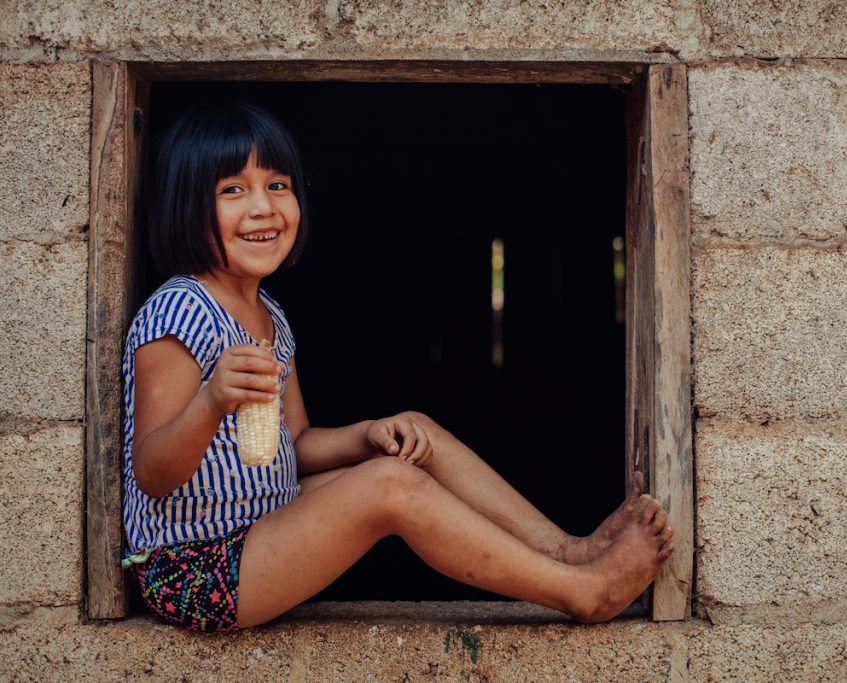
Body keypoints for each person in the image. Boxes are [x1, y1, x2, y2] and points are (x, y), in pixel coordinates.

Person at [121, 101, 674, 633]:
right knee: (390, 485)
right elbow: (153, 472)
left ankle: (569, 550)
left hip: (258, 524)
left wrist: (368, 434)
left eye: (277, 185)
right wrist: (211, 400)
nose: (262, 207)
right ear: (185, 205)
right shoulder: (179, 311)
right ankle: (582, 593)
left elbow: (296, 443)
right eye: (232, 190)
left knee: (416, 436)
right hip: (194, 570)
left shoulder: (270, 316)